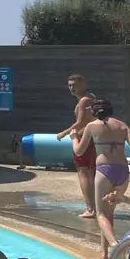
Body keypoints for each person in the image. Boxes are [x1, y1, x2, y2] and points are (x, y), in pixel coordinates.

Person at [72, 98, 130, 259]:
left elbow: (79, 151)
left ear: (94, 112)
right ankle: (104, 252)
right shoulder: (122, 126)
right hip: (122, 170)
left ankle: (115, 245)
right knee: (109, 212)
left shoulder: (91, 126)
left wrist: (74, 138)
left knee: (101, 214)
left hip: (104, 170)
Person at [57, 74, 97, 218]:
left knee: (84, 172)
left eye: (75, 85)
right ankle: (94, 207)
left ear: (84, 84)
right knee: (91, 173)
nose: (72, 88)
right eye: (70, 85)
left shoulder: (85, 100)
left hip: (83, 138)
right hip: (91, 138)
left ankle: (90, 209)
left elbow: (80, 122)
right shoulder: (90, 98)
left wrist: (64, 133)